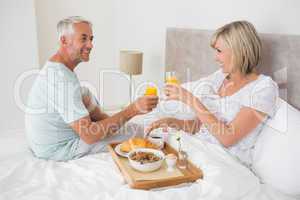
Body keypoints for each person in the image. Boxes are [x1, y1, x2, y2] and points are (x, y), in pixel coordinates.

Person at [146, 21, 278, 167]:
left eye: (219, 51)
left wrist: (190, 99)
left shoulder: (262, 88)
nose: (215, 58)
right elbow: (200, 126)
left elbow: (228, 138)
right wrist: (173, 122)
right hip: (197, 148)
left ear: (239, 52)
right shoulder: (219, 78)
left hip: (224, 163)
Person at [25, 16, 158, 161]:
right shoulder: (61, 79)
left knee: (84, 93)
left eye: (91, 39)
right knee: (137, 132)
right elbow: (88, 135)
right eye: (83, 39)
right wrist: (133, 110)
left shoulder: (57, 68)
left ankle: (108, 123)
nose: (90, 45)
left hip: (43, 143)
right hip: (58, 149)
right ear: (64, 41)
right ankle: (113, 125)